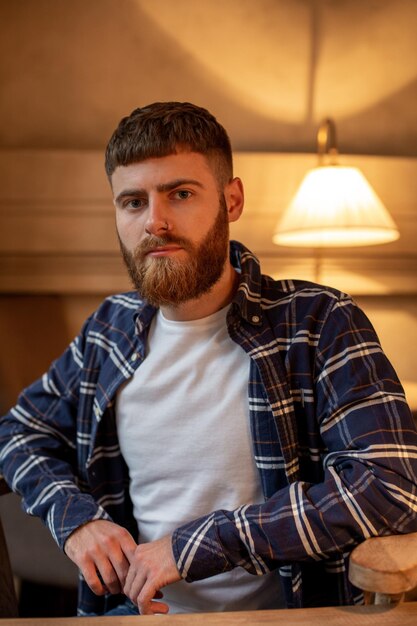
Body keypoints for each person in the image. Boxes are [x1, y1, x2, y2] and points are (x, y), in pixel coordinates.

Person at [1, 102, 417, 617]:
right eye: (133, 202)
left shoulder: (319, 321)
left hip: (288, 617)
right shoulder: (108, 330)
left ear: (232, 199)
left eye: (180, 194)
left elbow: (389, 485)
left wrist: (195, 545)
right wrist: (76, 519)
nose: (155, 221)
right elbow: (18, 432)